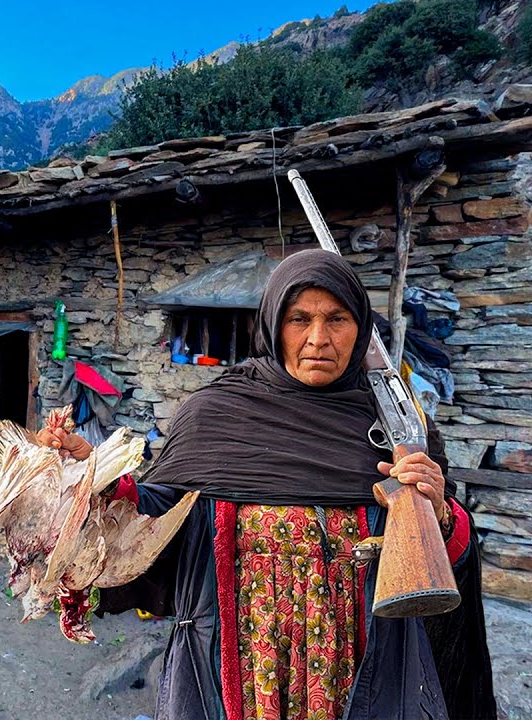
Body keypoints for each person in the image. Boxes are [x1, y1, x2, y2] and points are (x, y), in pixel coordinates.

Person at [39, 249, 494, 720]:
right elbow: (160, 519)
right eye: (300, 319)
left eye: (337, 319)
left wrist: (438, 510)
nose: (318, 338)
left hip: (363, 661)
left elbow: (452, 559)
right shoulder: (215, 415)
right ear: (274, 324)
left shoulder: (395, 430)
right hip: (238, 659)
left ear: (360, 329)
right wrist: (98, 477)